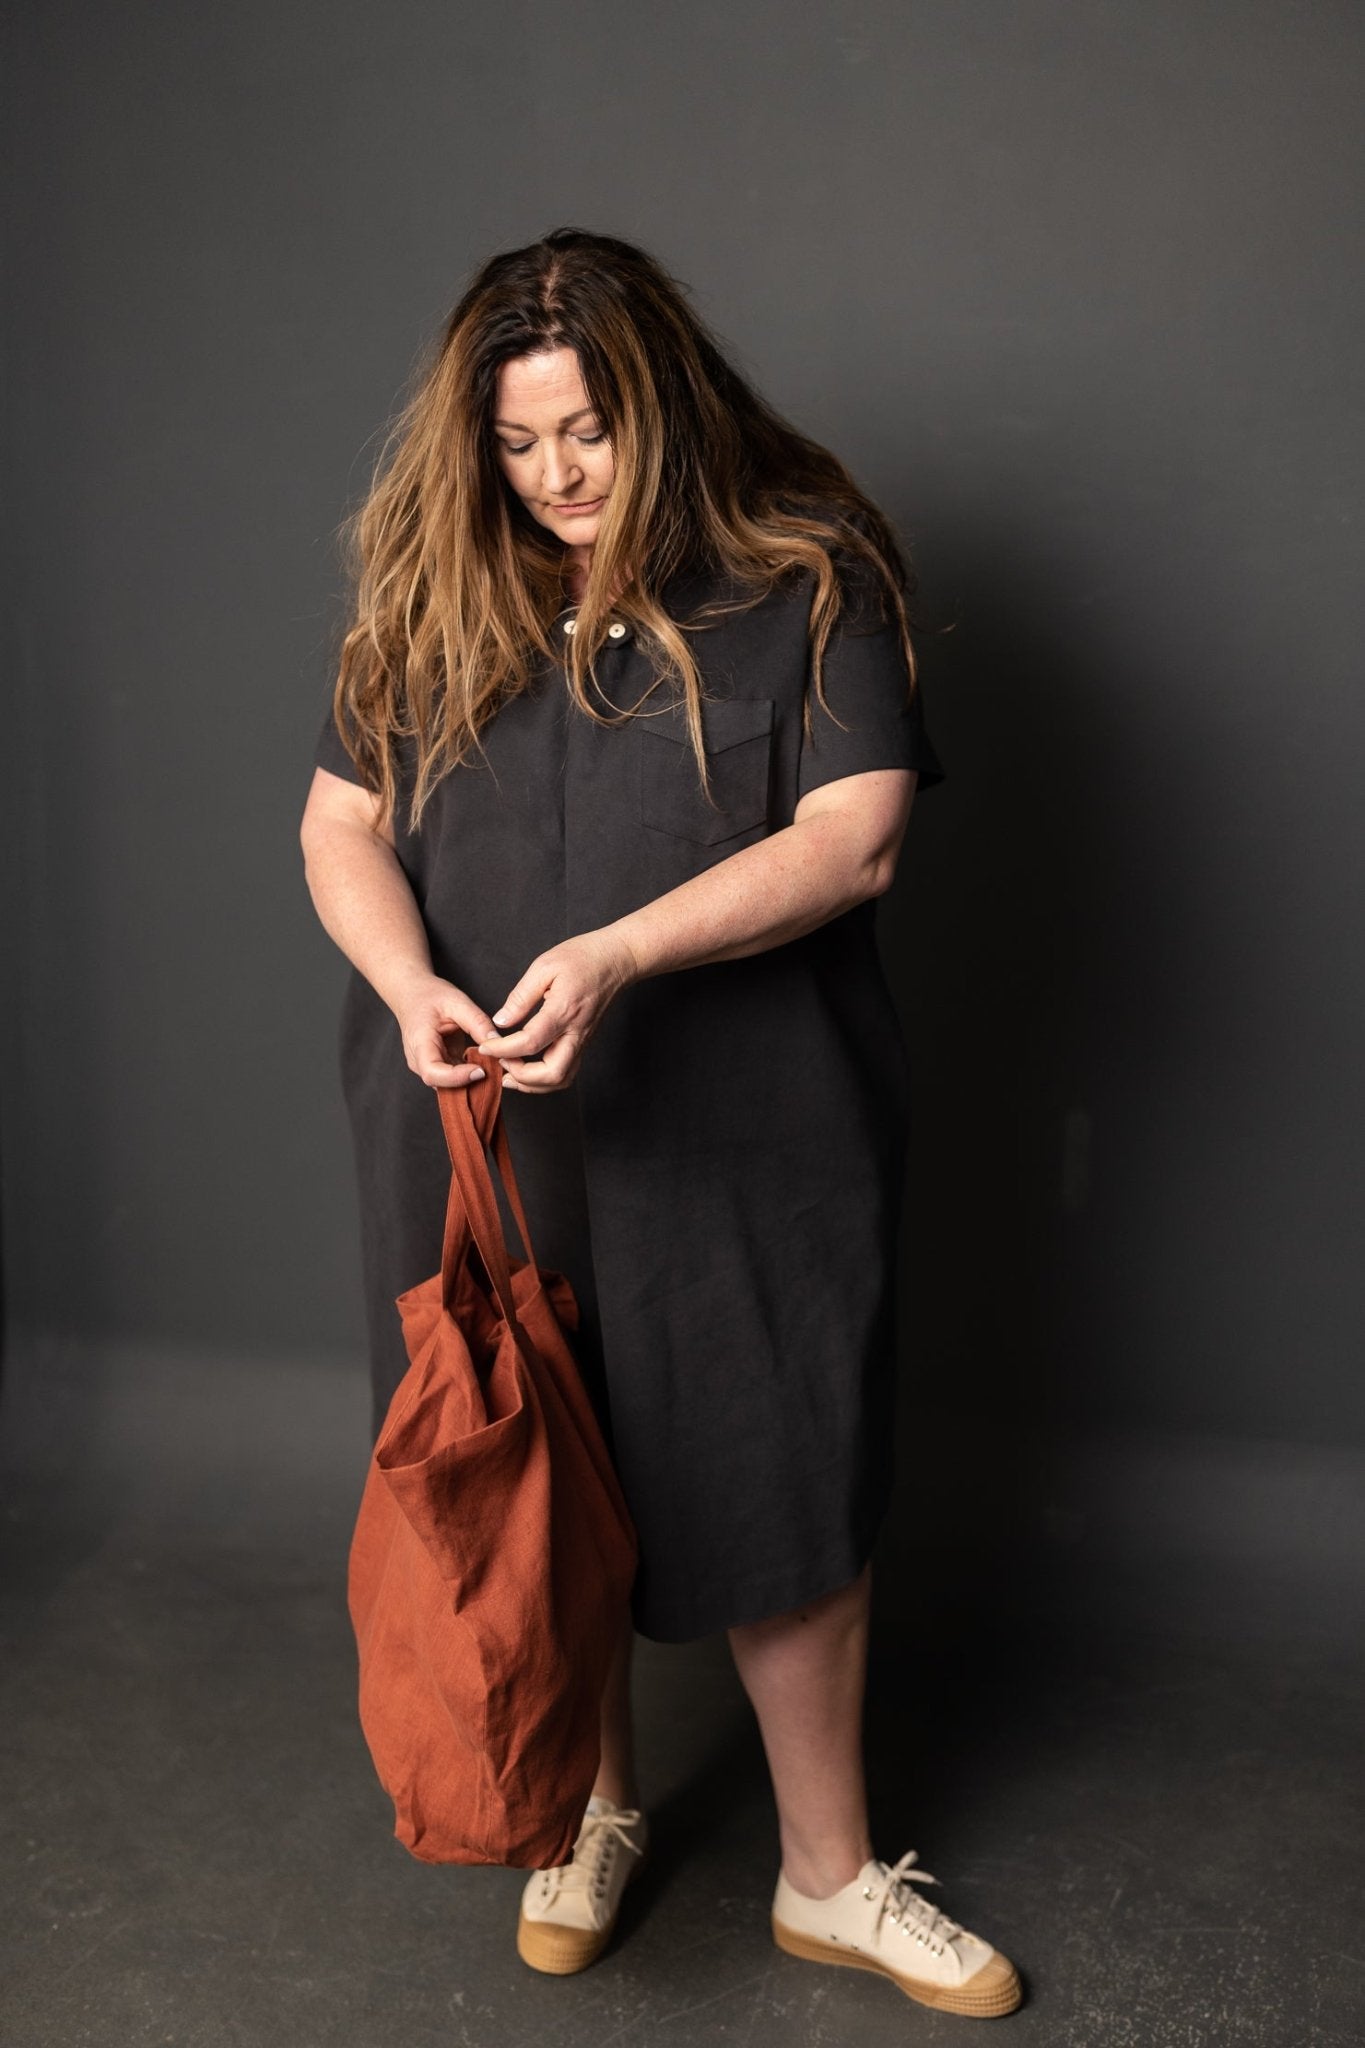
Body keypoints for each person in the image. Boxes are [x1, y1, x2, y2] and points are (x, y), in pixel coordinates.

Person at [300, 226, 1023, 2021]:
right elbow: (339, 824)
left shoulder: (807, 572)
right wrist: (407, 983)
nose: (553, 476)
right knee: (539, 1468)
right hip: (481, 1119)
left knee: (783, 1464)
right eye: (516, 443)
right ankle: (586, 1810)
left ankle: (828, 1876)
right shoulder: (436, 586)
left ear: (666, 408)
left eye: (587, 432)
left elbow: (854, 838)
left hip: (750, 1118)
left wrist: (618, 953)